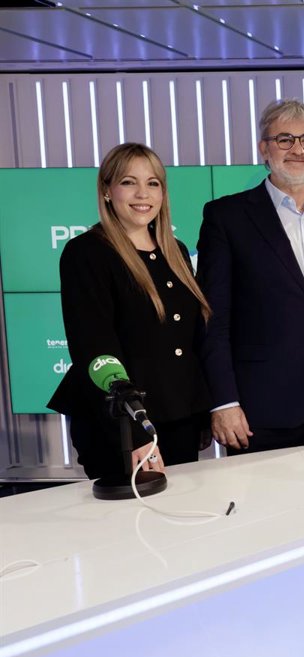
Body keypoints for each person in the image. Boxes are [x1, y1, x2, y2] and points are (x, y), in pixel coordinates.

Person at [197, 99, 304, 453]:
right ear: (264, 148)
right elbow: (213, 317)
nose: (298, 150)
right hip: (257, 411)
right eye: (285, 139)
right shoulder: (226, 217)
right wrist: (223, 401)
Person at [48, 143, 211, 479]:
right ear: (107, 190)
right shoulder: (87, 253)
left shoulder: (176, 251)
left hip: (179, 417)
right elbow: (93, 348)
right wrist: (134, 431)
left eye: (153, 183)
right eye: (128, 182)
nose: (143, 194)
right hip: (119, 426)